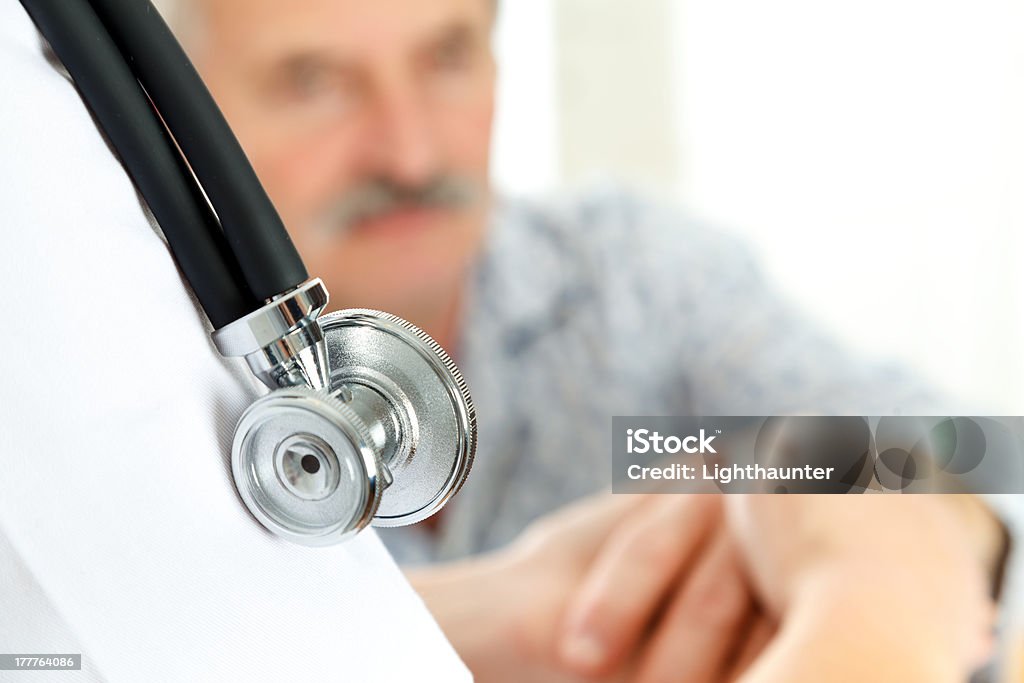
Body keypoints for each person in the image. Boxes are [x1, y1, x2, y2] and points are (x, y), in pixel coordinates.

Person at [160, 0, 1015, 680]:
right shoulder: (106, 390)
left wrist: (870, 543)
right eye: (314, 82)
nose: (412, 154)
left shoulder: (635, 269)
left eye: (448, 56)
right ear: (169, 124)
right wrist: (472, 623)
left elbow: (980, 452)